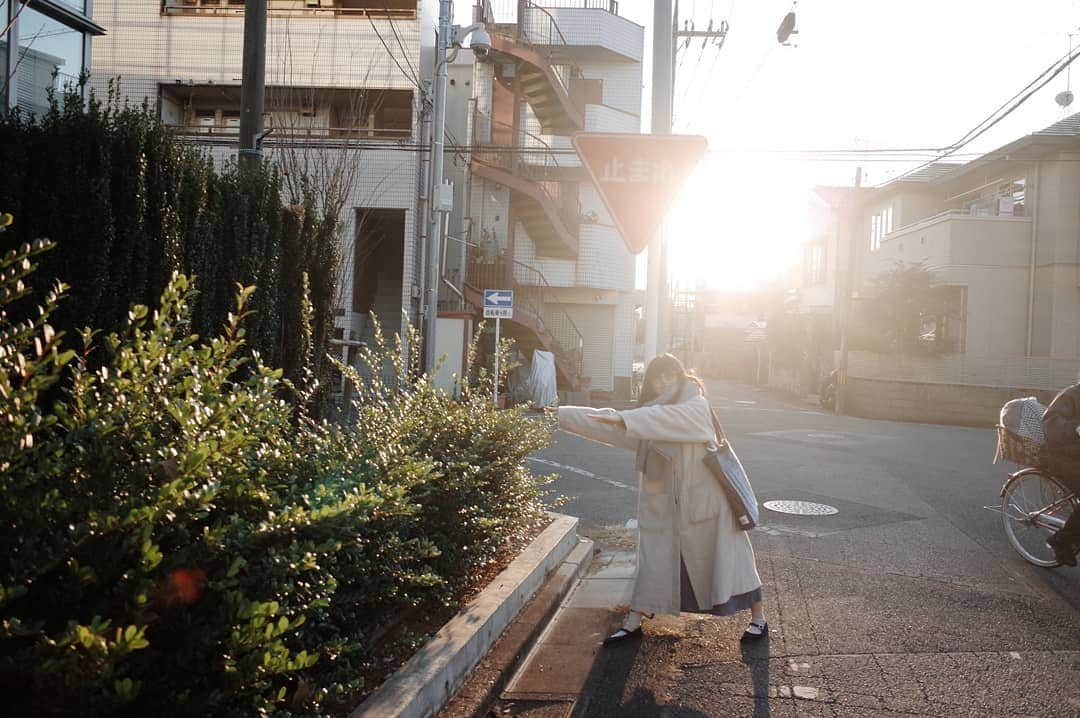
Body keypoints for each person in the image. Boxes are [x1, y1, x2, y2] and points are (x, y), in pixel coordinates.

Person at [557, 354, 767, 644]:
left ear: (681, 376)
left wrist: (623, 417)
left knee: (733, 563)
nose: (663, 382)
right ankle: (634, 620)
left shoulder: (695, 406)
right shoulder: (648, 415)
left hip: (706, 505)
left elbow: (656, 420)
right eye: (657, 377)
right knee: (654, 561)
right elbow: (618, 428)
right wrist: (563, 416)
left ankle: (759, 619)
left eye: (670, 374)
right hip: (665, 508)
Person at [1043, 379, 1080, 566]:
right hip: (1065, 460)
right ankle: (1062, 540)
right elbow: (1051, 424)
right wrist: (1076, 429)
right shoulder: (1070, 395)